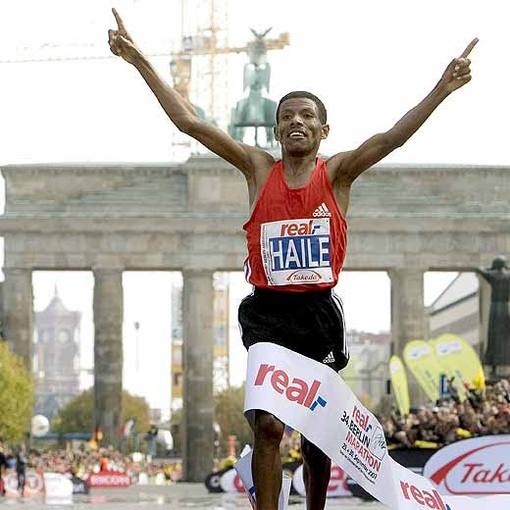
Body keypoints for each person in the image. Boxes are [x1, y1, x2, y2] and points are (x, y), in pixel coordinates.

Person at [108, 9, 476, 509]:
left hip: (318, 316)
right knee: (267, 425)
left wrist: (442, 88)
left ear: (324, 130)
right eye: (287, 117)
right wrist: (139, 60)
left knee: (317, 430)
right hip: (267, 314)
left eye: (306, 116)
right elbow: (189, 122)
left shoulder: (338, 174)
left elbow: (391, 138)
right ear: (277, 132)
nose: (296, 122)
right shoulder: (258, 169)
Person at [476, 256, 510, 376]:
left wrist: (490, 268)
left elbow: (478, 268)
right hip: (506, 308)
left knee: (494, 339)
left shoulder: (493, 275)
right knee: (506, 339)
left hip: (495, 308)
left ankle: (494, 367)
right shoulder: (508, 275)